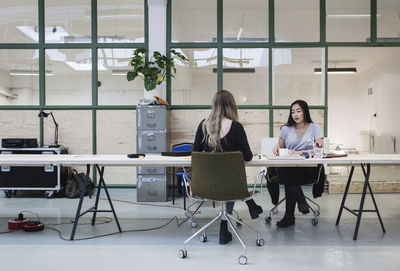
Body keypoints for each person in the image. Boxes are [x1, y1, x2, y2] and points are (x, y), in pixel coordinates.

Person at [193, 90, 263, 244]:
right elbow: (248, 156)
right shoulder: (236, 127)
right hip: (232, 186)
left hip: (207, 185)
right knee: (229, 176)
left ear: (214, 105)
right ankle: (225, 226)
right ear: (232, 106)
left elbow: (195, 153)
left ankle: (225, 223)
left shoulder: (203, 125)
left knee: (225, 177)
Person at [272, 100, 323, 228]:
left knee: (289, 177)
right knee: (286, 171)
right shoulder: (286, 129)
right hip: (288, 167)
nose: (295, 114)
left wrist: (298, 152)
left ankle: (290, 216)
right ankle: (302, 203)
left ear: (305, 111)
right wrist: (276, 147)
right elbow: (280, 147)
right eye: (293, 112)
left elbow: (319, 149)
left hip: (307, 169)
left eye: (298, 111)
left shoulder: (315, 128)